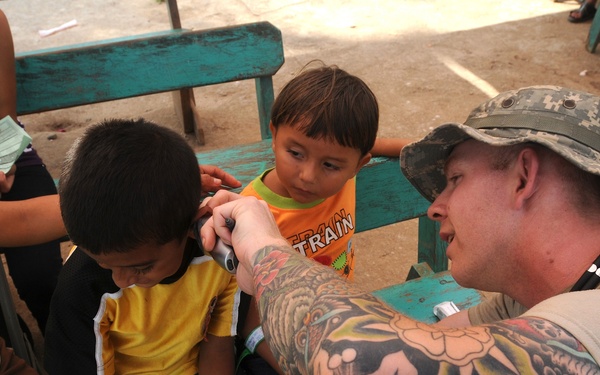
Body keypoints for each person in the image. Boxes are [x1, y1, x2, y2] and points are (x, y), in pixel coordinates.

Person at [201, 86, 600, 373]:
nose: (434, 208)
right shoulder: (528, 298)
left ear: (523, 178)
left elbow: (365, 359)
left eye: (456, 179)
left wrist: (263, 246)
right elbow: (436, 341)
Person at [237, 64, 411, 373]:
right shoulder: (253, 211)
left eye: (329, 165)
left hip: (337, 321)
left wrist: (426, 150)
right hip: (275, 343)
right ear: (274, 135)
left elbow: (372, 146)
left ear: (358, 166)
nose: (308, 176)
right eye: (296, 154)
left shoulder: (347, 172)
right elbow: (251, 328)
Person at [44, 119, 241, 375]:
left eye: (142, 268)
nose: (121, 280)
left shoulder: (219, 255)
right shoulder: (80, 285)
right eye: (103, 264)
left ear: (191, 225)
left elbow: (218, 347)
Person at [0, 8, 63, 337]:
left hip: (6, 157)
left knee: (41, 276)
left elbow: (3, 121)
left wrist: (2, 160)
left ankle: (54, 337)